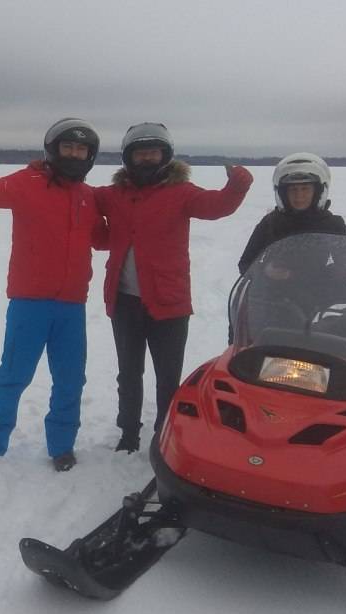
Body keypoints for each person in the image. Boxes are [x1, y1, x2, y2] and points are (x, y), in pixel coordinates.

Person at [0, 119, 105, 472]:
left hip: (72, 307)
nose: (74, 154)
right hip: (29, 304)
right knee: (13, 376)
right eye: (68, 147)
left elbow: (102, 238)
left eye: (81, 149)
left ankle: (62, 447)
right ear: (53, 149)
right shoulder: (27, 183)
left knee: (70, 380)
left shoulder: (88, 197)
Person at [94, 122, 253, 453]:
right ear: (128, 158)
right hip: (124, 302)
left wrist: (238, 184)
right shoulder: (113, 195)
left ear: (165, 156)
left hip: (169, 302)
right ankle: (128, 433)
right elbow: (81, 200)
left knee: (168, 377)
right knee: (129, 373)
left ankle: (164, 433)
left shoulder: (182, 193)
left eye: (153, 153)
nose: (147, 158)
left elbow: (217, 206)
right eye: (140, 153)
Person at [237, 152, 346, 276]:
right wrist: (266, 271)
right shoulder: (270, 223)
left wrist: (332, 273)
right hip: (273, 286)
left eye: (305, 189)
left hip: (318, 286)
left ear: (317, 192)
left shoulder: (332, 224)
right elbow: (245, 263)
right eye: (293, 189)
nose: (299, 195)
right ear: (283, 193)